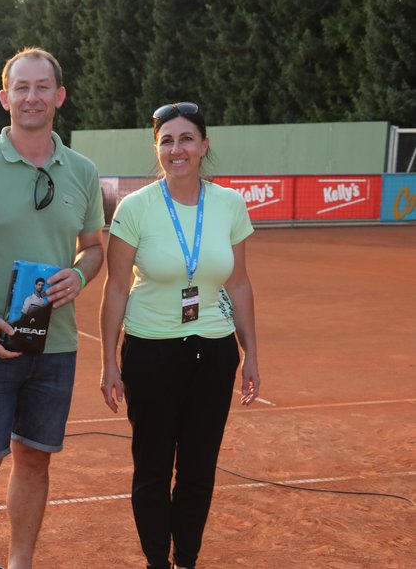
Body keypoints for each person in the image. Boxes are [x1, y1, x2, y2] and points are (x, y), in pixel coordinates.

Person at [0, 47, 105, 569]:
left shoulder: (81, 170)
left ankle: (19, 563)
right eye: (21, 87)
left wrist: (78, 273)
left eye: (42, 87)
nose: (32, 96)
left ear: (60, 96)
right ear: (5, 97)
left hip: (55, 346)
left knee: (34, 462)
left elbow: (95, 247)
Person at [99, 102, 261, 569]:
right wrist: (109, 361)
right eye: (167, 140)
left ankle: (185, 559)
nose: (177, 149)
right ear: (157, 149)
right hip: (151, 353)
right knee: (151, 467)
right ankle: (156, 561)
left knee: (198, 469)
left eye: (187, 138)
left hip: (214, 353)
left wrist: (250, 353)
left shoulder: (230, 204)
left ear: (204, 145)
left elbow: (240, 282)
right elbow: (114, 288)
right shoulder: (136, 208)